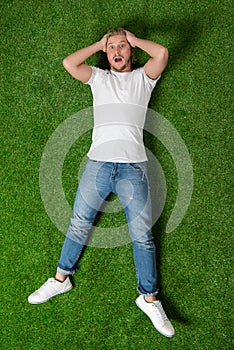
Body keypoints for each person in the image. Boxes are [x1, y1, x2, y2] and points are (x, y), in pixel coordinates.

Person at [28, 28, 175, 338]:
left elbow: (161, 54)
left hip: (133, 168)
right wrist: (99, 44)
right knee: (79, 222)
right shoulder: (99, 77)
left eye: (122, 46)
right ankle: (60, 279)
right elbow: (69, 63)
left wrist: (132, 40)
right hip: (98, 164)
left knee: (142, 236)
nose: (117, 50)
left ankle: (149, 298)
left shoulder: (143, 79)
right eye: (112, 48)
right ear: (106, 55)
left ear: (132, 51)